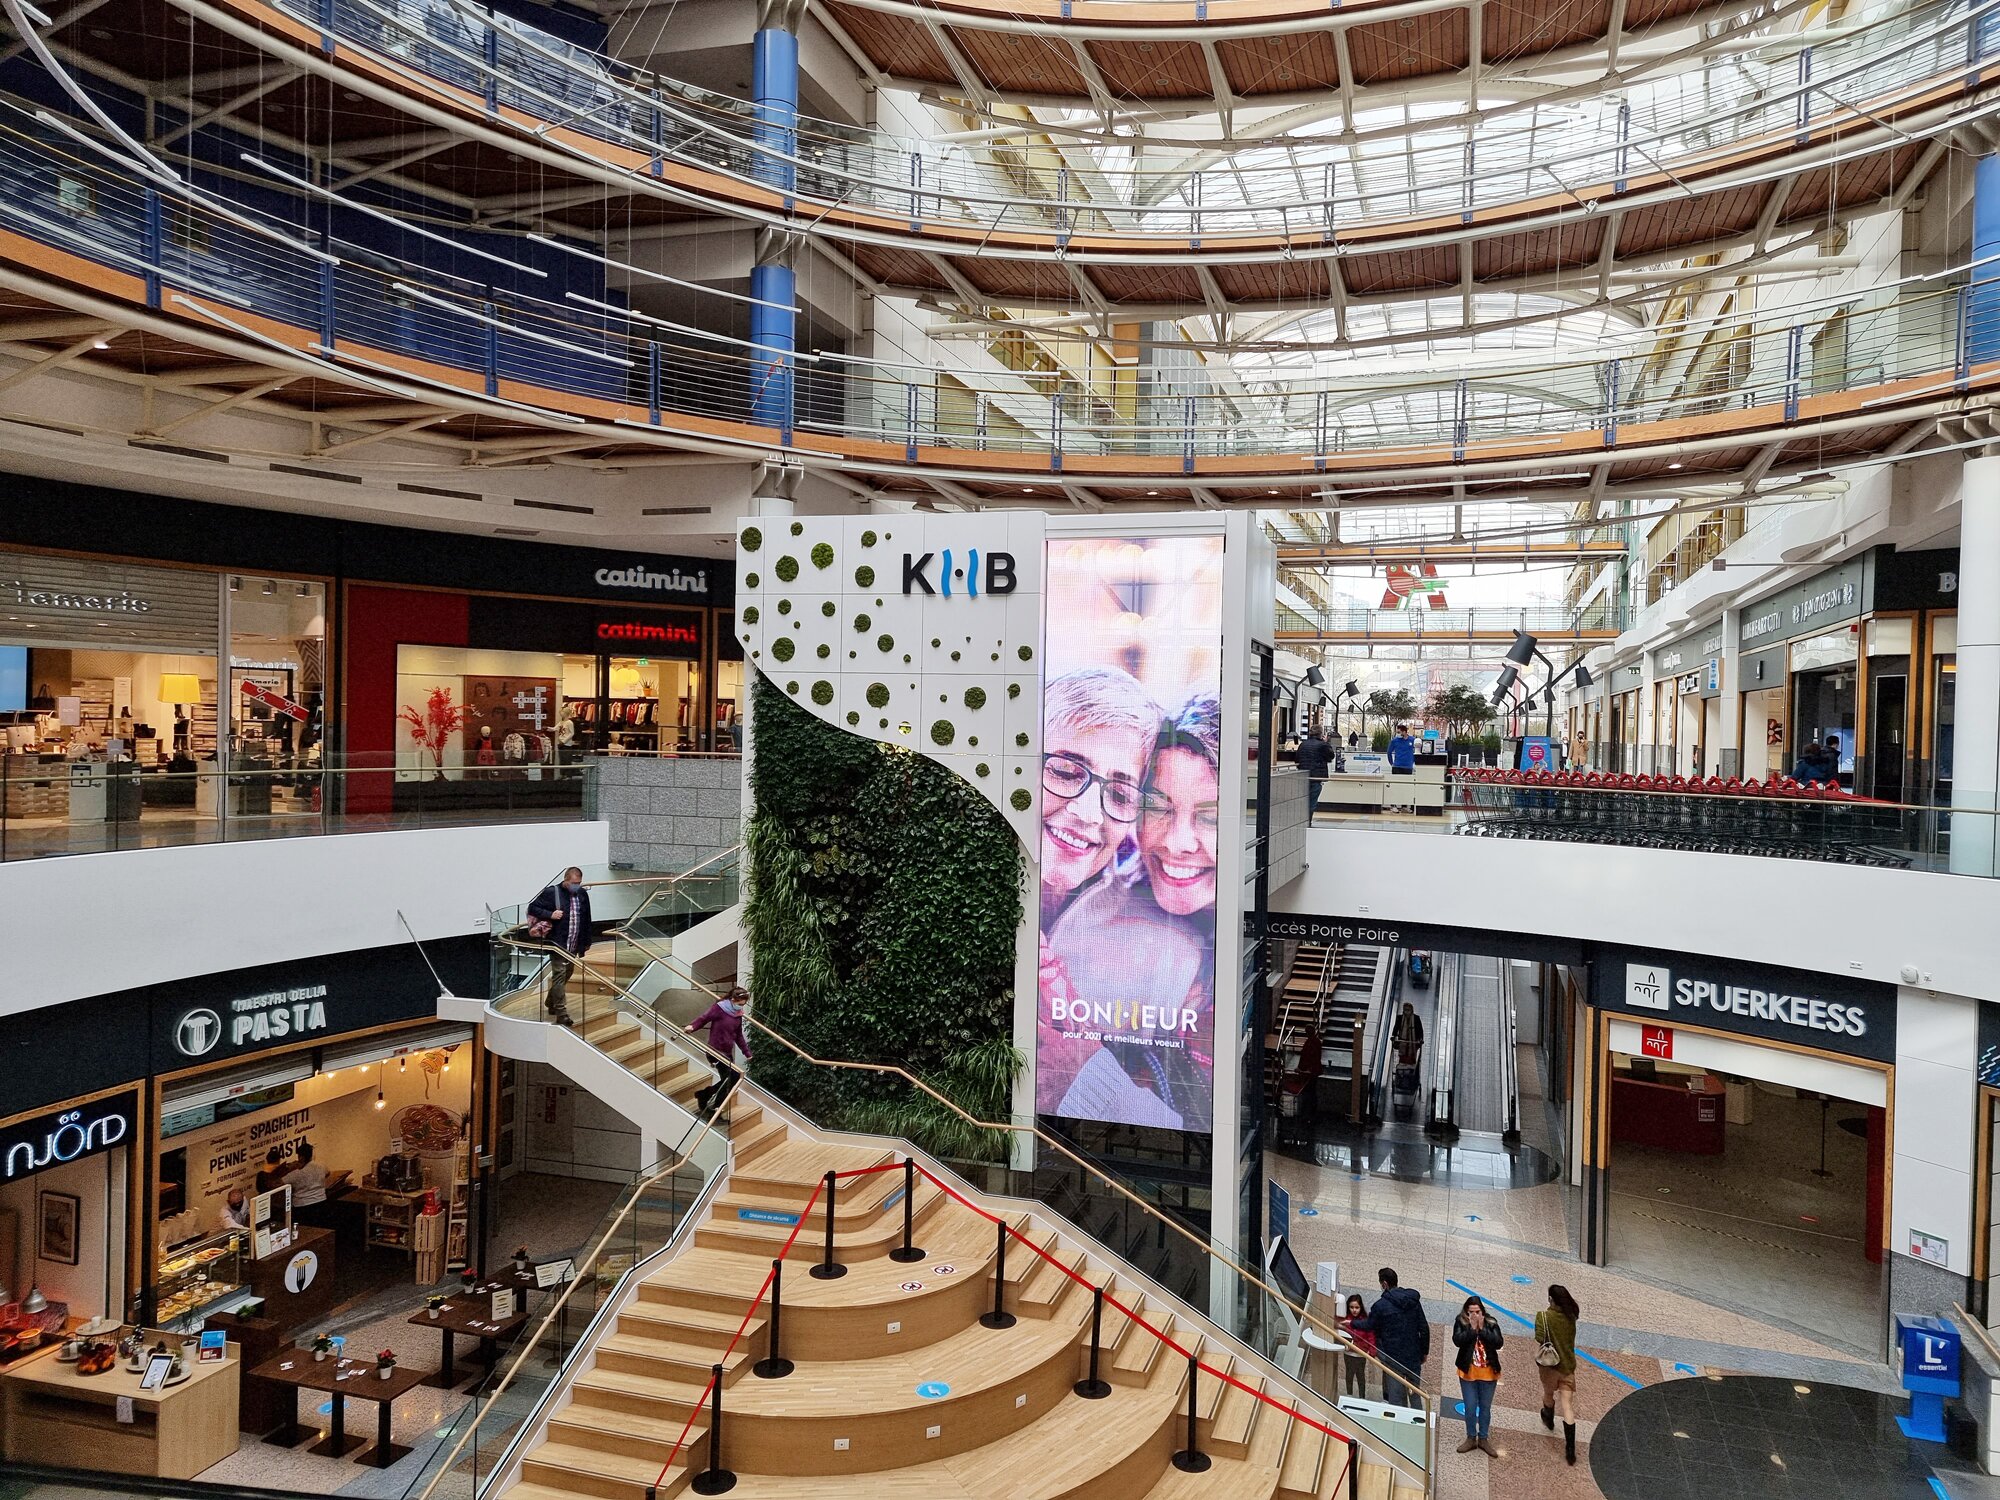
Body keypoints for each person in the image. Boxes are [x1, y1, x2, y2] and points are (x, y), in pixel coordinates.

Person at [526, 867, 593, 1026]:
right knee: (559, 974)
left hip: (574, 942)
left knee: (568, 972)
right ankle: (561, 1013)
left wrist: (586, 941)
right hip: (558, 942)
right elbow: (532, 907)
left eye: (579, 883)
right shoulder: (551, 892)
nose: (576, 886)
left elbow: (586, 917)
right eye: (573, 883)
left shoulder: (582, 894)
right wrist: (551, 915)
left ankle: (551, 1001)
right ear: (565, 880)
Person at [1367, 1267, 1430, 1407]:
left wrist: (1381, 1354)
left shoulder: (1380, 1306)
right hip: (1414, 1355)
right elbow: (1424, 1328)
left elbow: (1374, 1331)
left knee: (1396, 1398)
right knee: (1415, 1393)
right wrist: (1424, 1351)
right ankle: (1419, 1423)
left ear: (1384, 1284)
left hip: (1393, 1358)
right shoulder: (1413, 1301)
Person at [687, 986, 752, 1114]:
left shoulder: (737, 1015)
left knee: (733, 1078)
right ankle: (717, 1105)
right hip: (715, 1051)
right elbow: (704, 1018)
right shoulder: (720, 1008)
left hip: (727, 1052)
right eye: (740, 1004)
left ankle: (706, 1095)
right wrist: (693, 1026)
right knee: (731, 1077)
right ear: (733, 1000)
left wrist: (746, 1052)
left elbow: (738, 1035)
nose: (741, 1006)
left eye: (743, 1004)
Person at [1453, 1294, 1504, 1455]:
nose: (1474, 1315)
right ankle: (1470, 1437)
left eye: (1477, 1311)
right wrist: (1472, 1329)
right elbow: (1458, 1341)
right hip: (1468, 1372)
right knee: (1469, 1406)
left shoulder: (1491, 1323)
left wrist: (1481, 1330)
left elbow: (1498, 1342)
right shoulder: (1461, 1322)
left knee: (1485, 1408)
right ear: (1466, 1312)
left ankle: (1483, 1438)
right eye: (1471, 1312)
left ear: (1482, 1311)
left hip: (1489, 1373)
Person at [1536, 1284, 1581, 1466]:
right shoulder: (1571, 1317)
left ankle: (1548, 1417)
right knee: (1567, 1405)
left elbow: (1539, 1338)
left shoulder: (1544, 1317)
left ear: (1551, 1299)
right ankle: (1570, 1450)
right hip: (1568, 1367)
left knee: (1548, 1394)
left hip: (1549, 1367)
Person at [1339, 1292, 1376, 1399]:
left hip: (1361, 1353)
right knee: (1349, 1374)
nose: (1354, 1310)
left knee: (1360, 1376)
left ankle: (1362, 1397)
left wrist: (1372, 1351)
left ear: (1361, 1307)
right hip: (1349, 1352)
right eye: (1351, 1307)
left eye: (1357, 1307)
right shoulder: (1345, 1320)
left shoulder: (1365, 1321)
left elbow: (1371, 1336)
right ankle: (1349, 1394)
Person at [1296, 724, 1332, 820]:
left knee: (1304, 799)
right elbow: (1330, 756)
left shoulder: (1303, 744)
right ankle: (1308, 820)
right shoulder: (1323, 745)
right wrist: (1326, 742)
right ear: (1321, 734)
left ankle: (1302, 820)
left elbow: (1297, 759)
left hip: (1303, 776)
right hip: (1316, 777)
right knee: (1312, 801)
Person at [1391, 1001, 1425, 1070]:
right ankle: (1402, 1065)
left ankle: (1411, 1065)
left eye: (1408, 1010)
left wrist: (1420, 1038)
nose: (1407, 1012)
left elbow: (1420, 1029)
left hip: (1413, 1040)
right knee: (1402, 1053)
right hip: (1402, 1040)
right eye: (1405, 1010)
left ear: (1411, 1010)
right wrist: (1393, 1036)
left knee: (1412, 1053)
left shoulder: (1416, 1018)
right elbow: (1396, 1027)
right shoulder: (1400, 1018)